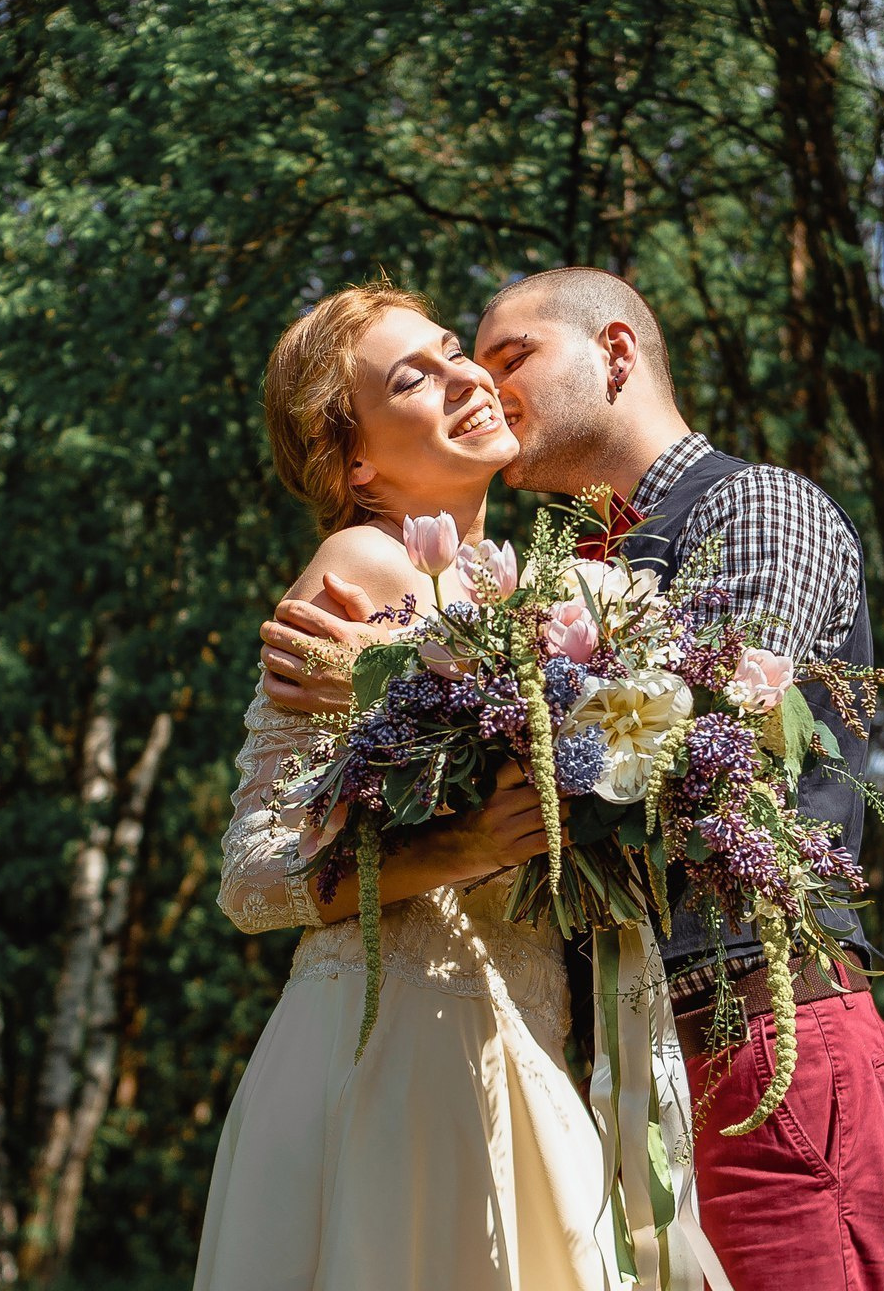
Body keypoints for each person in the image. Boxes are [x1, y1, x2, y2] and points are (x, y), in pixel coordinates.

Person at [261, 267, 884, 1291]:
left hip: (753, 1026)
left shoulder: (756, 505)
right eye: (449, 363)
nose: (483, 379)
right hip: (604, 1055)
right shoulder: (543, 573)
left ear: (614, 355)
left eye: (506, 355)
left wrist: (392, 677)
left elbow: (690, 745)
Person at [194, 282, 615, 1291]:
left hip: (519, 1034)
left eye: (447, 350)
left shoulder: (516, 591)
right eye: (412, 377)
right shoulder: (362, 567)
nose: (463, 377)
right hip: (400, 1051)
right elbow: (254, 878)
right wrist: (458, 850)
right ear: (357, 464)